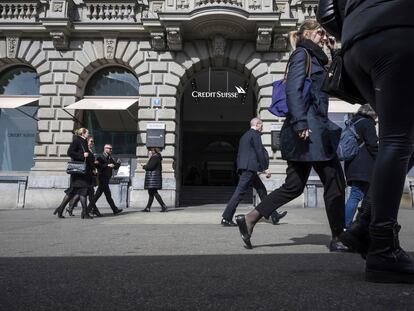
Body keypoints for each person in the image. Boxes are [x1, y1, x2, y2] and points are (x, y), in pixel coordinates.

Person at [235, 20, 348, 252]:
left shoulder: (316, 58)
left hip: (312, 130)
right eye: (319, 32)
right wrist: (299, 123)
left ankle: (249, 219)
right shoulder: (302, 55)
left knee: (294, 186)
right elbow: (293, 90)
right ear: (307, 33)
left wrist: (335, 51)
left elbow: (335, 82)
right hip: (309, 131)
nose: (322, 35)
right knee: (335, 181)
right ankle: (338, 237)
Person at [325, 0, 414, 283]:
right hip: (401, 29)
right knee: (399, 138)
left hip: (356, 45)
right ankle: (383, 247)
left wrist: (358, 25)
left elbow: (326, 12)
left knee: (404, 136)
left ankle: (364, 228)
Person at [221, 118, 287, 226]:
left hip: (247, 168)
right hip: (250, 169)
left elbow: (242, 154)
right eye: (261, 125)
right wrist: (265, 168)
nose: (262, 128)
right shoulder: (255, 134)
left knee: (262, 191)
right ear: (257, 124)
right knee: (239, 193)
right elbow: (259, 151)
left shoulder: (244, 136)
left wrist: (241, 168)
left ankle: (274, 215)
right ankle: (226, 218)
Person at [344, 104, 378, 227]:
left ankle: (360, 224)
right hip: (364, 167)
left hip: (352, 165)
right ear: (371, 113)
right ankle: (346, 225)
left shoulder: (352, 122)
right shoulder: (367, 123)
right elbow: (373, 145)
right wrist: (381, 159)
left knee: (363, 195)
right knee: (357, 195)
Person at [53, 128, 94, 219]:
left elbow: (87, 155)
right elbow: (70, 152)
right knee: (81, 191)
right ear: (83, 133)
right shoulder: (77, 141)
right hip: (79, 172)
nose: (88, 134)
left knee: (74, 192)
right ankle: (84, 213)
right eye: (87, 132)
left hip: (83, 172)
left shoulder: (83, 141)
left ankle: (61, 209)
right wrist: (82, 155)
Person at [67, 136, 102, 217]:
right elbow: (72, 154)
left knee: (86, 194)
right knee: (85, 194)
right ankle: (88, 212)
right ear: (87, 142)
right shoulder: (84, 150)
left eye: (93, 142)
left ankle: (72, 208)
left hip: (89, 175)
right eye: (91, 141)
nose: (92, 143)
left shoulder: (90, 151)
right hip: (83, 175)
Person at [92, 144, 123, 215]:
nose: (111, 150)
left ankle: (114, 209)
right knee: (101, 195)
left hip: (106, 178)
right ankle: (89, 209)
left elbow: (115, 167)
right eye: (110, 149)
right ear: (105, 149)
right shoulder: (100, 157)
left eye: (111, 149)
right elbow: (98, 166)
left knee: (105, 195)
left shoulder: (110, 158)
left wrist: (118, 163)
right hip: (102, 178)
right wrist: (107, 165)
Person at [141, 148, 167, 212]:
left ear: (154, 151)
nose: (150, 151)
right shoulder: (156, 157)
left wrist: (144, 166)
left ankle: (163, 206)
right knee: (151, 193)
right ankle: (148, 208)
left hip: (153, 178)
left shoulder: (155, 157)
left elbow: (151, 167)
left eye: (151, 150)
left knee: (154, 192)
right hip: (153, 179)